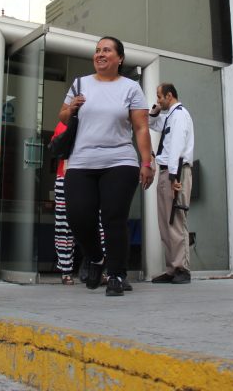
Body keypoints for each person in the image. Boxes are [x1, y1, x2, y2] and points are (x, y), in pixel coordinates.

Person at [59, 36, 154, 297]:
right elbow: (63, 115)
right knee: (78, 216)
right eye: (97, 50)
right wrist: (73, 107)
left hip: (119, 160)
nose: (100, 54)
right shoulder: (80, 83)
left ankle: (116, 275)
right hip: (81, 161)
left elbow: (141, 127)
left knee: (114, 218)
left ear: (119, 58)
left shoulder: (131, 88)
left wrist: (147, 161)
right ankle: (95, 257)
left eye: (107, 50)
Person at [148, 83, 195, 284]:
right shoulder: (169, 116)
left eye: (159, 97)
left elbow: (176, 146)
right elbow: (153, 124)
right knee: (165, 223)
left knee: (176, 221)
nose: (158, 100)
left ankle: (182, 269)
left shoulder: (180, 115)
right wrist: (155, 112)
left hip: (176, 171)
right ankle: (172, 268)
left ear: (169, 95)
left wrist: (175, 177)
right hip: (167, 171)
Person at [51, 122, 75, 284]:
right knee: (63, 225)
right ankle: (66, 269)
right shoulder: (63, 124)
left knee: (96, 223)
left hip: (89, 177)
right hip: (65, 176)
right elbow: (55, 148)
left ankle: (97, 266)